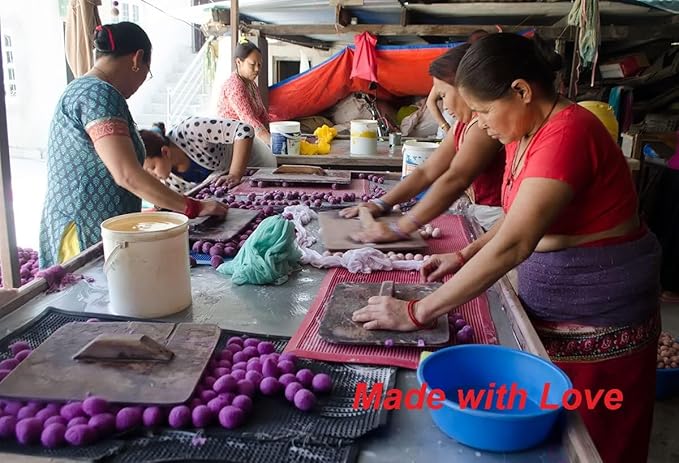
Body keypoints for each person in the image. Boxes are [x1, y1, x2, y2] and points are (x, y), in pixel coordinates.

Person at [352, 33, 659, 463]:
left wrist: (416, 312)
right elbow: (515, 220)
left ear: (521, 91)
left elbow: (515, 243)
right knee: (553, 429)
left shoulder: (567, 134)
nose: (478, 124)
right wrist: (463, 254)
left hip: (600, 319)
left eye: (483, 111)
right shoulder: (523, 132)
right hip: (558, 311)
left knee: (597, 436)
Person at [39, 22, 227, 268]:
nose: (141, 82)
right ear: (137, 58)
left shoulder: (85, 89)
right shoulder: (99, 94)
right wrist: (193, 207)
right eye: (147, 73)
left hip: (94, 224)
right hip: (85, 228)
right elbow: (127, 174)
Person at [341, 43, 505, 239]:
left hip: (495, 220)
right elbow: (426, 171)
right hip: (480, 214)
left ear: (465, 88)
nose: (444, 106)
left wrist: (399, 229)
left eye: (443, 95)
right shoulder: (462, 126)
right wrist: (381, 203)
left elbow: (456, 179)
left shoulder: (482, 128)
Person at [140, 116, 276, 194]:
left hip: (259, 165)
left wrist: (235, 174)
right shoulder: (170, 180)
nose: (152, 175)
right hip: (234, 188)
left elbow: (244, 130)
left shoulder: (191, 129)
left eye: (152, 168)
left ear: (165, 152)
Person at [217, 40, 272, 149]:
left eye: (259, 64)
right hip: (231, 144)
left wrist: (277, 133)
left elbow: (263, 115)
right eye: (252, 64)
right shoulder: (234, 86)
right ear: (238, 62)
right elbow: (250, 121)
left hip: (247, 140)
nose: (257, 69)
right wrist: (274, 143)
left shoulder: (251, 84)